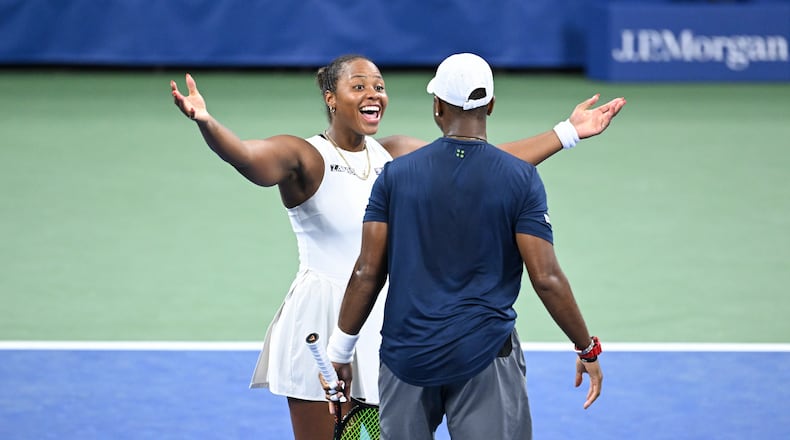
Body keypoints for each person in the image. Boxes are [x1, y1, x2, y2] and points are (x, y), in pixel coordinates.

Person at [170, 54, 622, 440]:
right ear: (331, 98)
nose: (373, 93)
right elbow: (249, 158)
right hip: (325, 320)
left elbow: (482, 162)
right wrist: (208, 125)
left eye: (380, 86)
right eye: (358, 85)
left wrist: (568, 132)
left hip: (386, 317)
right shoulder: (303, 155)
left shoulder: (396, 157)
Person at [326, 52, 605, 440]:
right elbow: (547, 278)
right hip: (485, 357)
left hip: (406, 359)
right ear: (490, 104)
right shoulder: (520, 178)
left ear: (437, 106)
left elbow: (367, 271)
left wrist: (340, 352)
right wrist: (586, 347)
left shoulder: (395, 175)